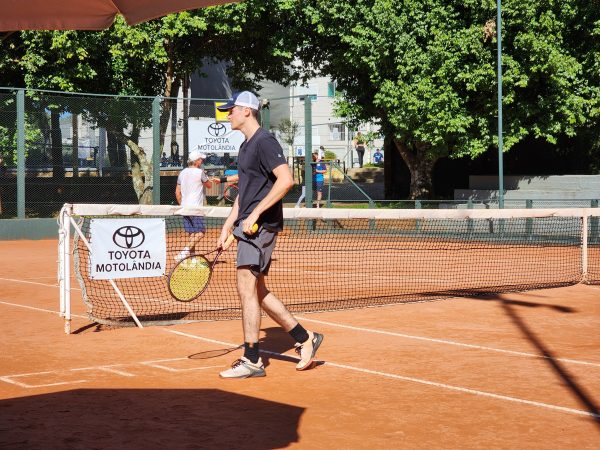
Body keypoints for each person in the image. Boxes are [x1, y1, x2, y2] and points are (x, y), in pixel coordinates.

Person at [215, 91, 324, 378]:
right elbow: (246, 192)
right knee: (257, 290)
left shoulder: (264, 141)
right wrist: (229, 223)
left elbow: (286, 180)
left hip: (261, 226)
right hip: (249, 225)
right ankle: (304, 337)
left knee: (245, 285)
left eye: (232, 110)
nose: (228, 114)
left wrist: (254, 215)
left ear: (247, 111)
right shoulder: (245, 146)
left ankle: (252, 359)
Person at [174, 150, 213, 261]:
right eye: (200, 159)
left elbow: (177, 192)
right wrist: (206, 176)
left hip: (185, 207)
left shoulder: (182, 173)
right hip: (196, 208)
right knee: (200, 233)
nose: (201, 161)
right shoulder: (200, 172)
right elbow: (209, 185)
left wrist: (182, 204)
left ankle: (193, 259)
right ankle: (184, 253)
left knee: (192, 234)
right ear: (196, 161)